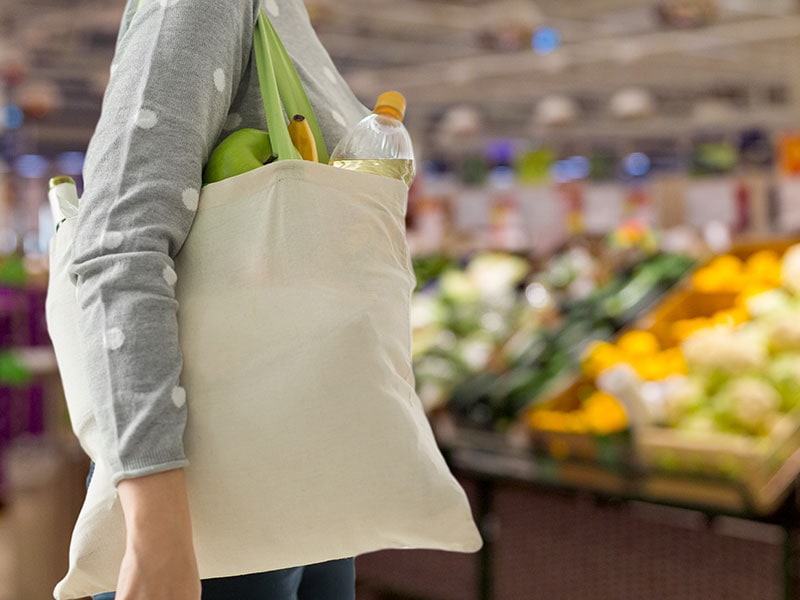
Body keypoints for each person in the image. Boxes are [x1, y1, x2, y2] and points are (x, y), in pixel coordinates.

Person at [70, 0, 369, 598]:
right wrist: (159, 540)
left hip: (307, 473)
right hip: (211, 494)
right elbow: (121, 250)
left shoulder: (282, 17)